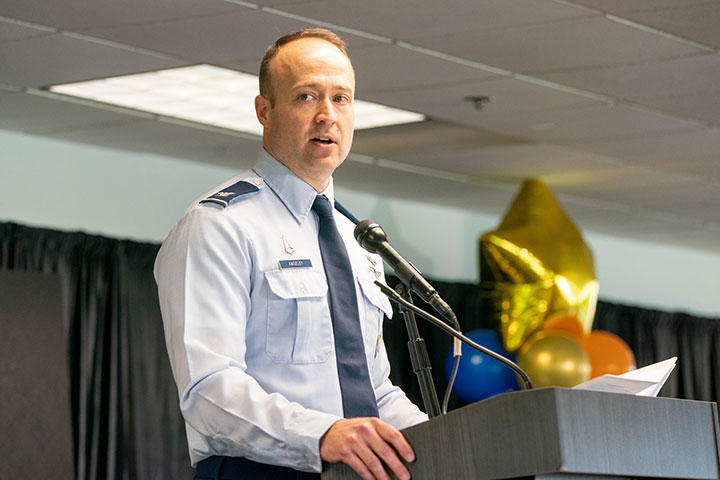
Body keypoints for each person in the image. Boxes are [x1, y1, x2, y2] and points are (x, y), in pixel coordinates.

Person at [154, 28, 428, 480]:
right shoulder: (219, 225)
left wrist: (452, 440)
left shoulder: (359, 242)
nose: (327, 115)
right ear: (265, 110)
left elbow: (373, 392)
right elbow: (208, 390)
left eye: (342, 98)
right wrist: (321, 435)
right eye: (306, 96)